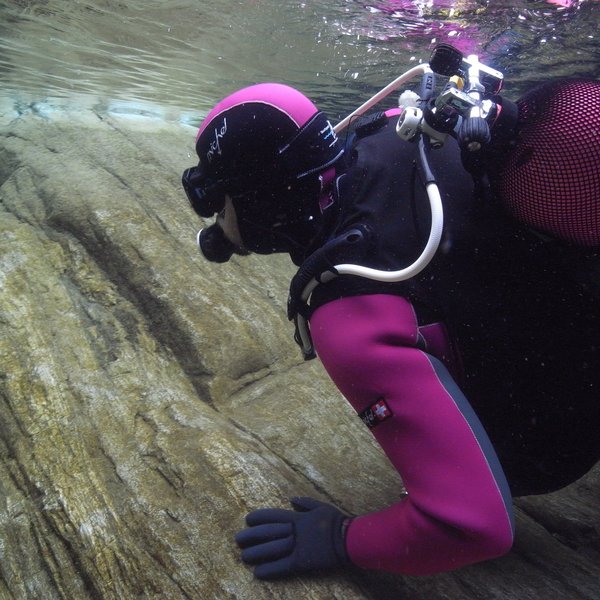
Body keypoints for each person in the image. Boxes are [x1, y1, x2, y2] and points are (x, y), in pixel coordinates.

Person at [181, 73, 600, 579]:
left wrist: (341, 542)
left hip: (555, 441)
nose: (217, 221)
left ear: (254, 202)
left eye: (216, 201)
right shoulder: (406, 130)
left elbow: (474, 527)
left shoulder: (351, 317)